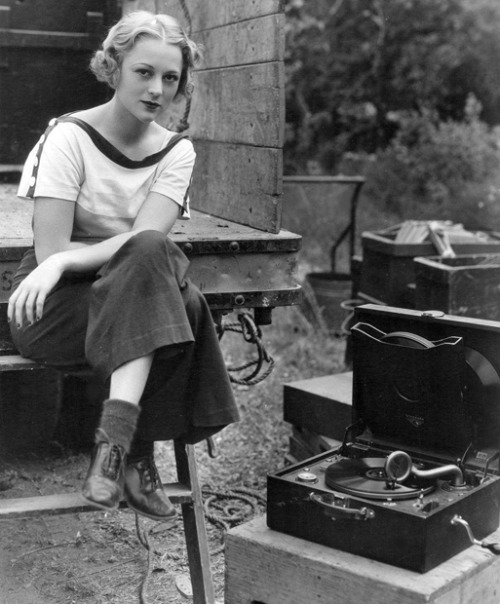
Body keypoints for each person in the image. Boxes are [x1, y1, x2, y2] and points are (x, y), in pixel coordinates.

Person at [7, 11, 239, 521]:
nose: (157, 89)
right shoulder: (68, 136)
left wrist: (69, 255)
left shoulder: (177, 152)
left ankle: (111, 448)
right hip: (57, 304)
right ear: (113, 67)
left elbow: (145, 242)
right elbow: (50, 256)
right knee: (184, 305)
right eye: (143, 72)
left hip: (130, 290)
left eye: (171, 78)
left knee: (151, 254)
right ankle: (134, 452)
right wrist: (57, 263)